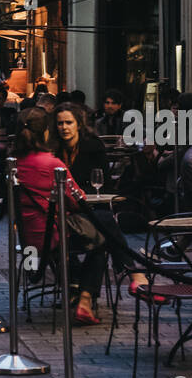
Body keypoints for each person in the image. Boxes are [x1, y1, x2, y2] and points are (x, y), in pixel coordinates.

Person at [15, 109, 156, 324]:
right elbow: (77, 198)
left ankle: (78, 287)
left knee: (101, 224)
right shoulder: (52, 164)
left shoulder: (15, 164)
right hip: (54, 235)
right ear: (46, 132)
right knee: (101, 237)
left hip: (29, 240)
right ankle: (88, 299)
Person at [50, 101, 108, 193]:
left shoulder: (94, 146)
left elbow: (103, 182)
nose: (64, 127)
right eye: (60, 123)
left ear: (79, 125)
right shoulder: (54, 148)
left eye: (69, 123)